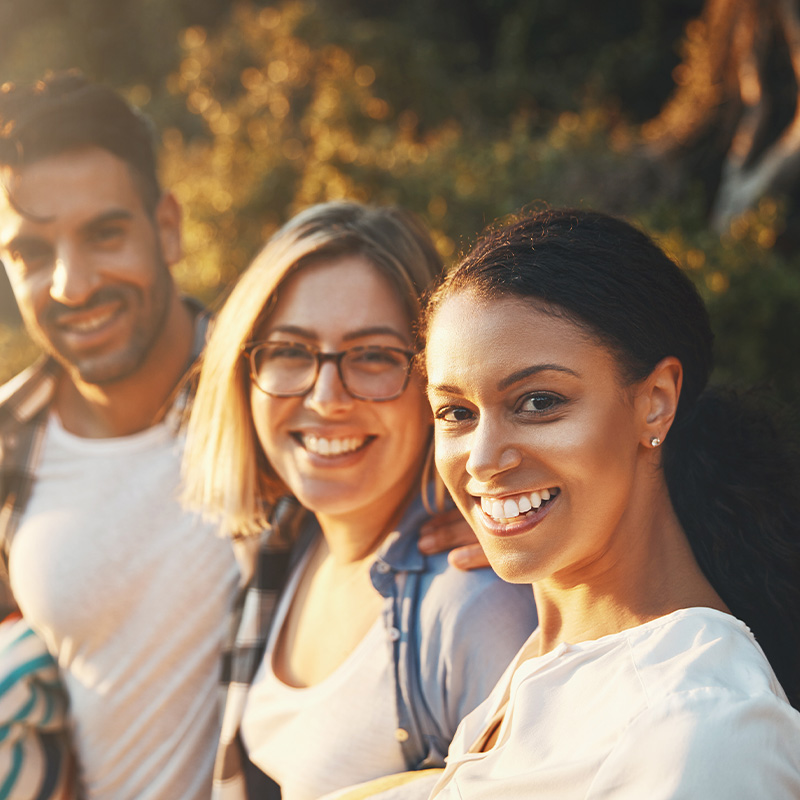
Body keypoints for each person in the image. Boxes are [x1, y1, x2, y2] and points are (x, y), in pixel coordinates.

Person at [0, 75, 479, 799]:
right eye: (32, 253)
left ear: (166, 225)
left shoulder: (277, 397)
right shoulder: (8, 446)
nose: (71, 283)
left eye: (105, 233)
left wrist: (502, 506)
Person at [417, 208, 800, 797]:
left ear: (655, 402)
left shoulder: (704, 723)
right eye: (456, 413)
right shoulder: (536, 664)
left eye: (538, 402)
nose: (482, 460)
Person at [182, 201, 539, 800]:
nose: (326, 397)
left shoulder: (472, 604)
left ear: (435, 378)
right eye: (292, 351)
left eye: (373, 356)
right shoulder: (281, 546)